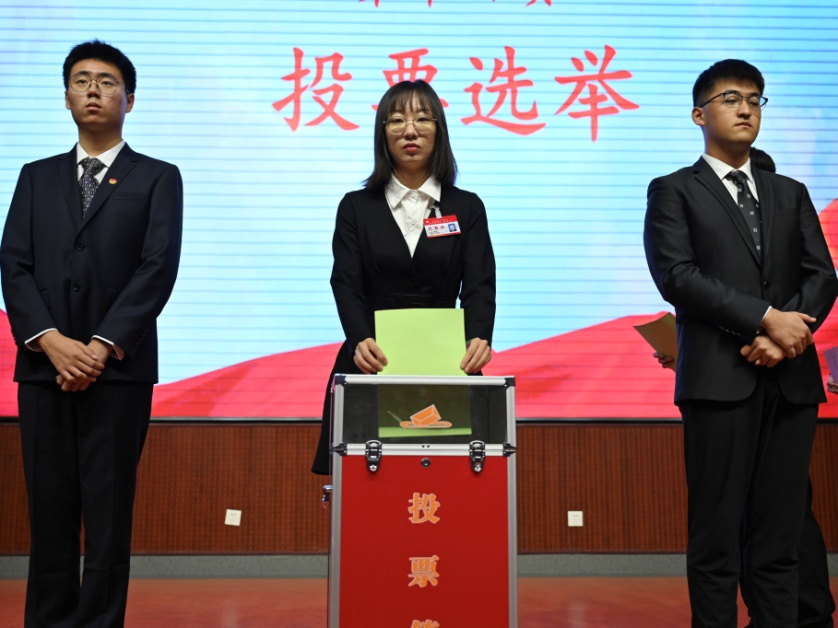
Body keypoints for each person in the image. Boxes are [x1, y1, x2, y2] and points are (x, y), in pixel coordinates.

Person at [643, 59, 838, 626]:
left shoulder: (790, 191)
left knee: (780, 539)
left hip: (791, 382)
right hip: (718, 382)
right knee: (716, 540)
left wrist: (786, 338)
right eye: (730, 98)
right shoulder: (674, 190)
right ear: (699, 115)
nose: (746, 108)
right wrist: (766, 320)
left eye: (755, 99)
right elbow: (678, 277)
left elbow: (822, 276)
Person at [0, 40, 183, 627]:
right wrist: (50, 341)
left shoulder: (157, 177)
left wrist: (101, 346)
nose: (94, 90)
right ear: (66, 97)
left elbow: (157, 268)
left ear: (130, 98)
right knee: (49, 512)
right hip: (43, 369)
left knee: (108, 514)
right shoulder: (36, 177)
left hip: (119, 373)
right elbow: (14, 265)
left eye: (107, 81)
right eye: (81, 81)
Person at [311, 79, 496, 475]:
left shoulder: (466, 207)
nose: (410, 130)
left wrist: (479, 337)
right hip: (372, 360)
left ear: (439, 130)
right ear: (383, 133)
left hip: (449, 362)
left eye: (422, 119)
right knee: (367, 482)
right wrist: (359, 339)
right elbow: (345, 283)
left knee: (450, 482)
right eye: (396, 120)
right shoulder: (356, 207)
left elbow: (480, 285)